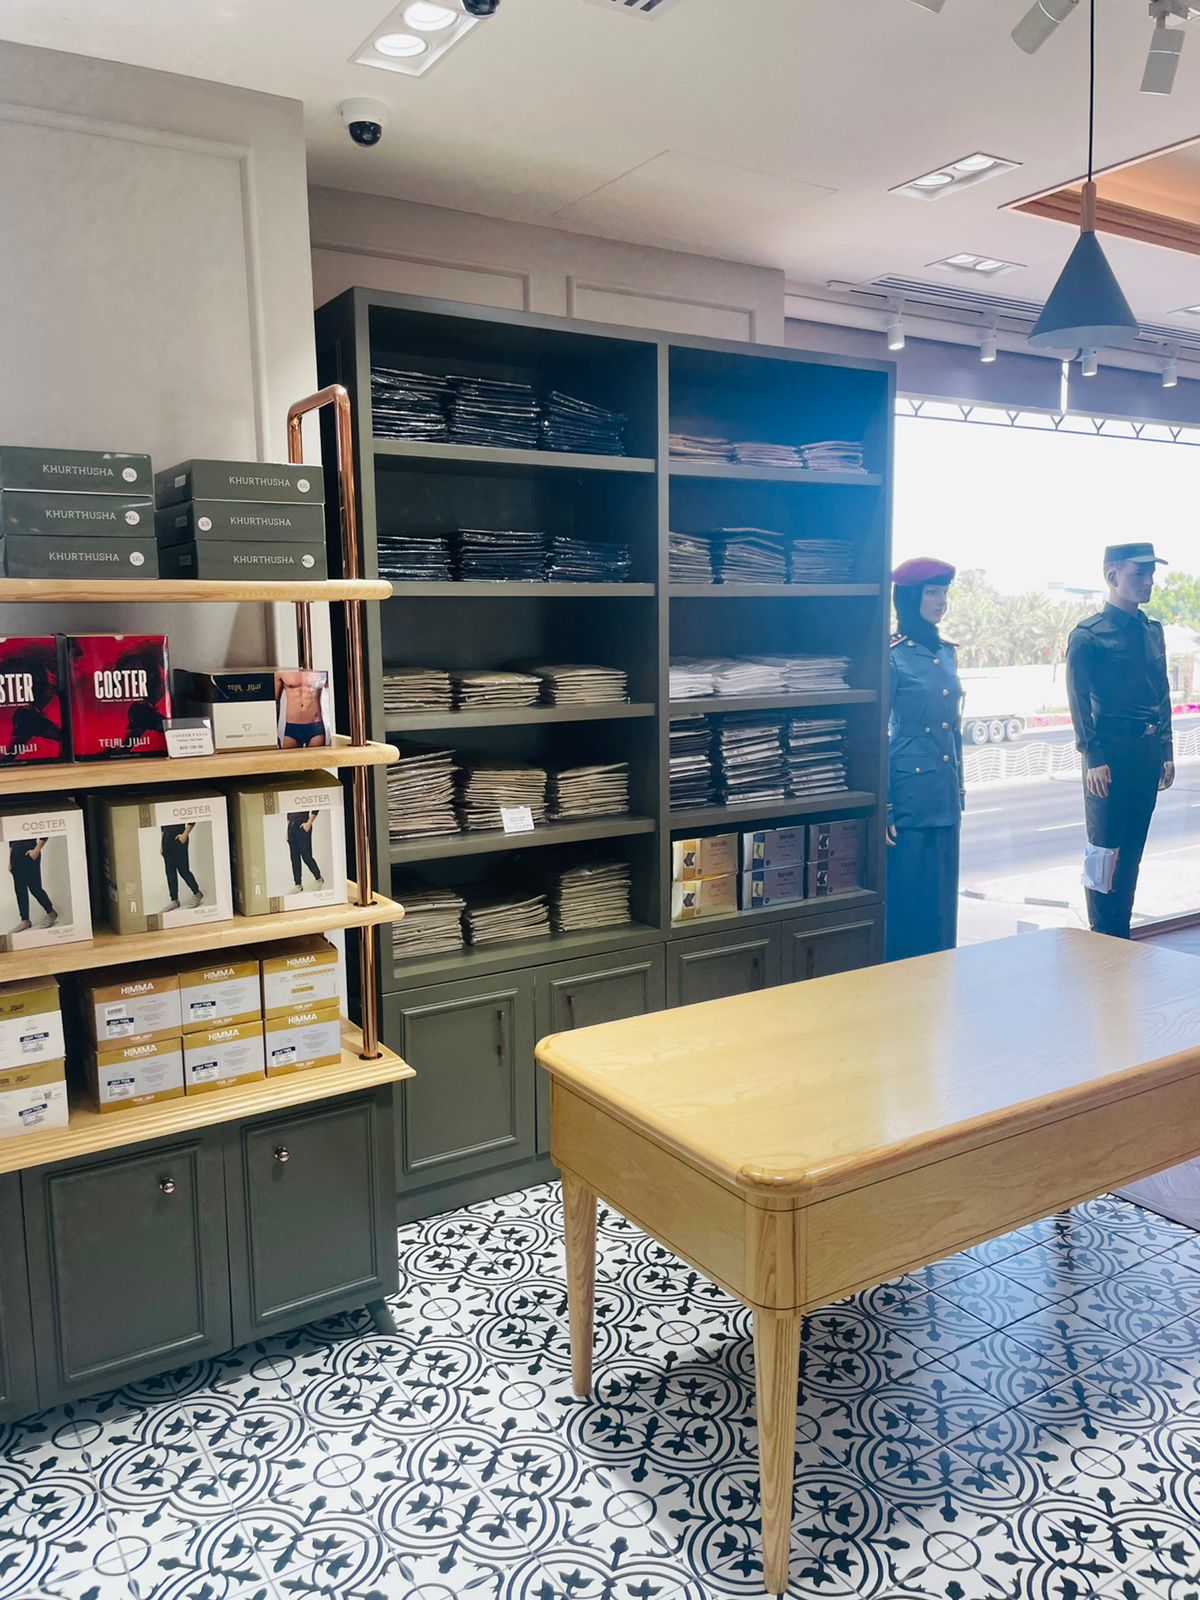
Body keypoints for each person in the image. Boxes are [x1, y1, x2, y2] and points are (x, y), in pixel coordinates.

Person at [1066, 542, 1173, 940]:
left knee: (1131, 852)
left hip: (1146, 754)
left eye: (1151, 574)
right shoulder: (1088, 636)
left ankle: (1120, 934)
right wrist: (1092, 756)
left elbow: (1161, 693)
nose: (1148, 582)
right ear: (1112, 575)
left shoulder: (1152, 631)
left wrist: (1166, 750)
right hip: (1108, 756)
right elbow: (1078, 701)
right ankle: (1101, 935)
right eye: (1138, 574)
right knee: (1103, 851)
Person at [886, 557, 964, 962]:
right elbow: (878, 734)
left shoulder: (947, 654)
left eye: (944, 592)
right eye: (931, 592)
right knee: (908, 904)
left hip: (944, 795)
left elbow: (954, 729)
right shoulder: (893, 655)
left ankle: (941, 978)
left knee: (942, 905)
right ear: (909, 597)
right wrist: (885, 806)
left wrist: (960, 789)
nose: (941, 601)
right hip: (909, 797)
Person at [9, 837, 56, 932]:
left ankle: (51, 912)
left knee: (35, 888)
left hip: (29, 852)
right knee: (20, 890)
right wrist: (10, 860)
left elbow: (44, 834)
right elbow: (11, 840)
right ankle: (25, 920)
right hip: (15, 855)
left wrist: (36, 850)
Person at [276, 669, 328, 749]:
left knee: (316, 757)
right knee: (289, 757)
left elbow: (332, 693)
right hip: (292, 727)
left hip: (316, 726)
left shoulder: (320, 670)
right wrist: (274, 733)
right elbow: (275, 702)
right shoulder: (282, 671)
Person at [160, 821, 203, 911]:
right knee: (170, 872)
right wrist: (161, 844)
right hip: (166, 840)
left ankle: (197, 893)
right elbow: (162, 828)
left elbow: (192, 819)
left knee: (183, 870)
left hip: (178, 838)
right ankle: (174, 900)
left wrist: (185, 834)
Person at [286, 809, 325, 892]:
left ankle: (319, 878)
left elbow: (316, 807)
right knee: (294, 858)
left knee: (306, 856)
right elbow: (289, 812)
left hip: (302, 824)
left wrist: (309, 823)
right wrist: (287, 832)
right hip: (291, 826)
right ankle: (298, 884)